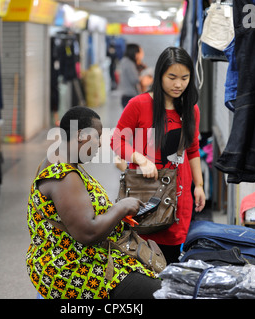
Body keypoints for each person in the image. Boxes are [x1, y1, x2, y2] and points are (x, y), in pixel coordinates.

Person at [26, 106, 161, 299]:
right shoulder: (63, 176)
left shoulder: (62, 161)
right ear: (81, 135)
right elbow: (88, 232)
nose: (99, 144)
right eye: (97, 137)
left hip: (81, 256)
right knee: (158, 292)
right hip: (71, 269)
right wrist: (120, 208)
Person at [111, 47, 206, 264]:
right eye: (172, 77)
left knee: (171, 262)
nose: (178, 84)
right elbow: (116, 141)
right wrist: (141, 159)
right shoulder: (139, 105)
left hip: (178, 198)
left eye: (184, 78)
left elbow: (192, 150)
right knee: (141, 259)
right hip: (145, 198)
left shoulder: (191, 110)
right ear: (160, 75)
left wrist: (199, 186)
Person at [118, 43, 151, 108]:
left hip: (126, 95)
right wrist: (143, 77)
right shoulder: (129, 63)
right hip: (129, 95)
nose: (141, 55)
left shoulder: (124, 61)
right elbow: (135, 79)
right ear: (135, 53)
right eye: (140, 52)